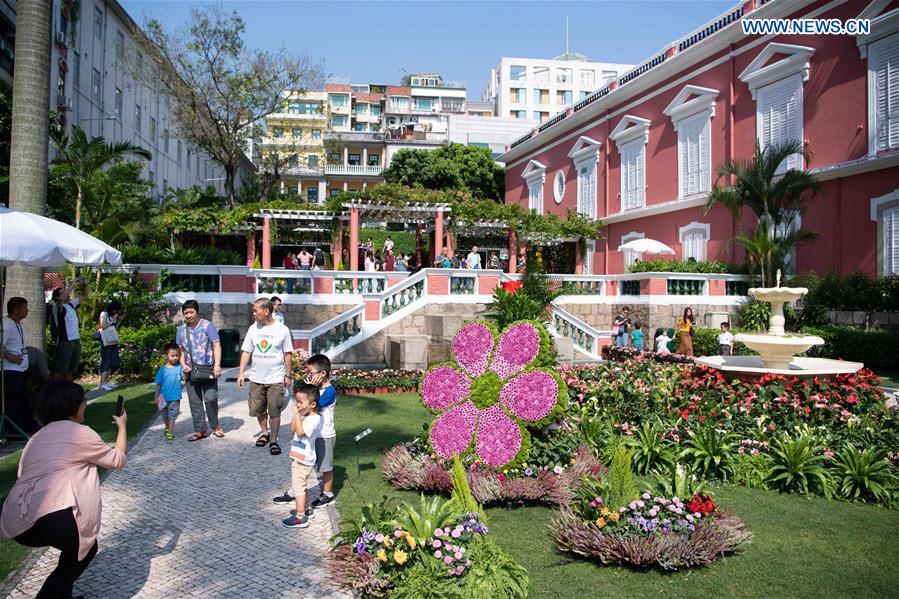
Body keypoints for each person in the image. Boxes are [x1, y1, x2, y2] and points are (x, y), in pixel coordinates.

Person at [1, 381, 127, 598]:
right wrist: (122, 426)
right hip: (55, 514)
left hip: (19, 519)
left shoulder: (36, 438)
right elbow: (117, 460)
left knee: (72, 550)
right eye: (83, 402)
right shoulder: (80, 433)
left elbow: (23, 473)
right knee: (85, 551)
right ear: (73, 407)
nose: (85, 405)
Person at [237, 298, 294, 455]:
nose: (253, 314)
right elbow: (247, 351)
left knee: (274, 410)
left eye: (256, 311)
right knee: (258, 409)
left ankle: (274, 440)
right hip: (256, 378)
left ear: (267, 311)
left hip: (275, 378)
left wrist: (288, 375)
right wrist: (241, 373)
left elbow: (287, 354)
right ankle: (264, 433)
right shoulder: (253, 329)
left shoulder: (282, 330)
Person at [176, 300, 224, 441]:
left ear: (197, 312)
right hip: (190, 371)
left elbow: (216, 345)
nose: (189, 315)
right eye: (186, 313)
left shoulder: (207, 326)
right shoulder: (181, 331)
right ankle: (200, 430)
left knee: (211, 398)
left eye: (191, 312)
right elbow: (180, 351)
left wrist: (217, 365)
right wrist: (183, 364)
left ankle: (215, 426)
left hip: (208, 368)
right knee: (195, 402)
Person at [281, 384, 321, 529]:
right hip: (298, 457)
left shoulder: (314, 419)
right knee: (302, 486)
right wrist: (296, 415)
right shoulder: (304, 416)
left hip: (304, 460)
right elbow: (293, 429)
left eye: (300, 402)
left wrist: (298, 416)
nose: (298, 405)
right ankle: (307, 509)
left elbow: (302, 432)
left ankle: (300, 516)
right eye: (296, 402)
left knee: (298, 487)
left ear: (312, 404)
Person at [2, 297, 36, 434]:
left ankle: (26, 426)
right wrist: (10, 357)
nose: (27, 310)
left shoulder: (18, 324)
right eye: (24, 308)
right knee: (13, 402)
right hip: (10, 369)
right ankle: (14, 431)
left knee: (23, 400)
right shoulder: (6, 325)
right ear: (16, 310)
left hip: (20, 369)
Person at [307, 354, 337, 508]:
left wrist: (312, 388)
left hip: (325, 435)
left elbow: (313, 405)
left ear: (322, 373)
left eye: (311, 373)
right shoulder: (318, 389)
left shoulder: (329, 391)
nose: (309, 376)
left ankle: (328, 494)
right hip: (314, 434)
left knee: (326, 467)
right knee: (308, 463)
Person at [50, 280, 88, 382]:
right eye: (63, 292)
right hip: (65, 341)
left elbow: (84, 296)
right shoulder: (57, 307)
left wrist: (85, 285)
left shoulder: (71, 305)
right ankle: (54, 393)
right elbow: (62, 299)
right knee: (60, 371)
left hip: (75, 341)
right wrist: (72, 286)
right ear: (57, 297)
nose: (67, 293)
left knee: (70, 370)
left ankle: (68, 393)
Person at [154, 343, 183, 442]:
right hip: (162, 397)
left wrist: (186, 370)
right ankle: (167, 428)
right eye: (172, 355)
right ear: (166, 356)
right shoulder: (162, 370)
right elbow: (158, 384)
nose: (175, 358)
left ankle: (170, 432)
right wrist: (156, 397)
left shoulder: (179, 368)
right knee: (164, 415)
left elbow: (185, 377)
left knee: (173, 415)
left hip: (175, 397)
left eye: (177, 355)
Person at [97, 300, 123, 391]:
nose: (117, 312)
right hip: (106, 342)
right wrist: (113, 321)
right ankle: (102, 383)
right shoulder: (104, 314)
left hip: (112, 341)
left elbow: (114, 329)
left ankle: (107, 381)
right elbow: (103, 326)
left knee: (112, 362)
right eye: (116, 310)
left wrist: (118, 321)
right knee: (106, 361)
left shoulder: (112, 316)